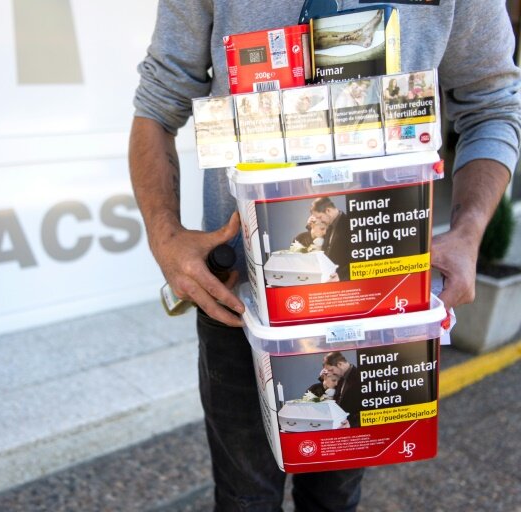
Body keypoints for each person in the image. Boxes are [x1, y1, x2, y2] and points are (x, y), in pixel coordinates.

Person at [129, 2, 520, 510]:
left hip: (378, 294)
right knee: (245, 497)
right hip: (242, 298)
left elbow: (492, 102)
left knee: (334, 498)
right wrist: (165, 237)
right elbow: (157, 105)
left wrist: (468, 234)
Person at [310, 197, 350, 279]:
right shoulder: (330, 225)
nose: (320, 221)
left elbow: (355, 259)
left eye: (320, 217)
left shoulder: (349, 224)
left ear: (328, 211)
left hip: (343, 280)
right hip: (330, 278)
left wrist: (341, 276)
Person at [323, 352, 362, 428]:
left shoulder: (360, 377)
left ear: (340, 364)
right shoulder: (341, 377)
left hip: (353, 428)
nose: (330, 373)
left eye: (331, 370)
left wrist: (351, 424)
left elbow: (367, 410)